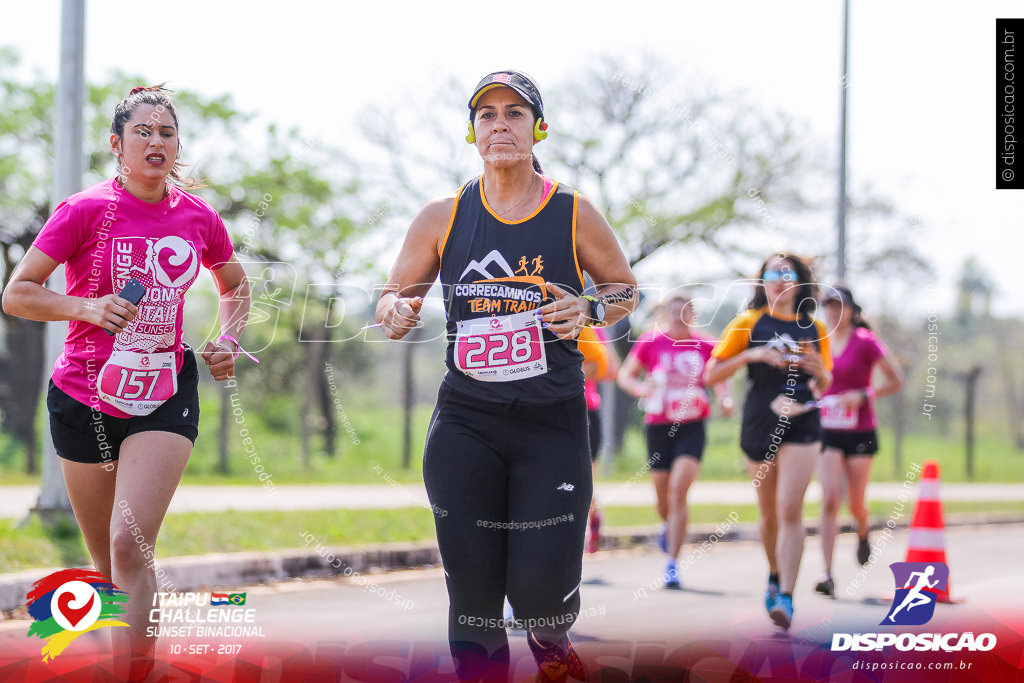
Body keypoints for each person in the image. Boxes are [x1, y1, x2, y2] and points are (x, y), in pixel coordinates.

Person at [375, 70, 637, 682]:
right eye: (487, 115)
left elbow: (623, 288)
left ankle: (553, 649)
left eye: (514, 114)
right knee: (472, 598)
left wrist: (590, 309)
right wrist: (395, 309)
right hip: (466, 420)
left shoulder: (572, 211)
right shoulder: (443, 216)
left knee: (541, 600)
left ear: (538, 128)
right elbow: (392, 299)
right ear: (472, 133)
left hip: (550, 423)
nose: (500, 125)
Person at [2, 85, 251, 679]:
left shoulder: (198, 216)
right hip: (83, 396)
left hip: (163, 393)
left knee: (129, 545)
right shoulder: (84, 210)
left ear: (177, 146)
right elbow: (17, 294)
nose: (156, 142)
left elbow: (235, 285)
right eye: (143, 132)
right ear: (117, 145)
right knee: (105, 563)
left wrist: (228, 340)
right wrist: (86, 309)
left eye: (167, 132)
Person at [703, 254, 831, 629]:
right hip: (760, 421)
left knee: (791, 508)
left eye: (787, 274)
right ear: (762, 282)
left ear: (800, 282)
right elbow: (712, 374)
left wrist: (818, 370)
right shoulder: (748, 322)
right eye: (772, 274)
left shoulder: (815, 327)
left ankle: (787, 597)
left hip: (803, 421)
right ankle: (774, 575)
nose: (779, 281)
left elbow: (826, 384)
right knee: (770, 513)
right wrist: (752, 354)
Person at [618, 293, 733, 589]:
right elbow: (625, 376)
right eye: (673, 310)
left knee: (679, 490)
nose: (678, 315)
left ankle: (672, 563)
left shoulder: (706, 344)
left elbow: (722, 375)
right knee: (663, 496)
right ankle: (667, 524)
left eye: (685, 310)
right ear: (664, 313)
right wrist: (643, 389)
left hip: (692, 425)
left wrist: (725, 397)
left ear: (692, 315)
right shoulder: (650, 341)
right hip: (658, 426)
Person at [814, 286, 903, 597]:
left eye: (839, 306)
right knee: (828, 499)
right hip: (827, 428)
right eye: (828, 306)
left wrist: (864, 395)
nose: (834, 312)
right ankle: (827, 574)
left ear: (851, 309)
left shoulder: (866, 341)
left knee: (854, 502)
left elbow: (896, 380)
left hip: (860, 429)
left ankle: (863, 531)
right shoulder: (818, 340)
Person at [577, 324, 619, 553]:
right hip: (541, 410)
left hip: (585, 409)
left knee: (584, 480)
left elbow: (612, 371)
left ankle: (593, 518)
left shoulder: (589, 328)